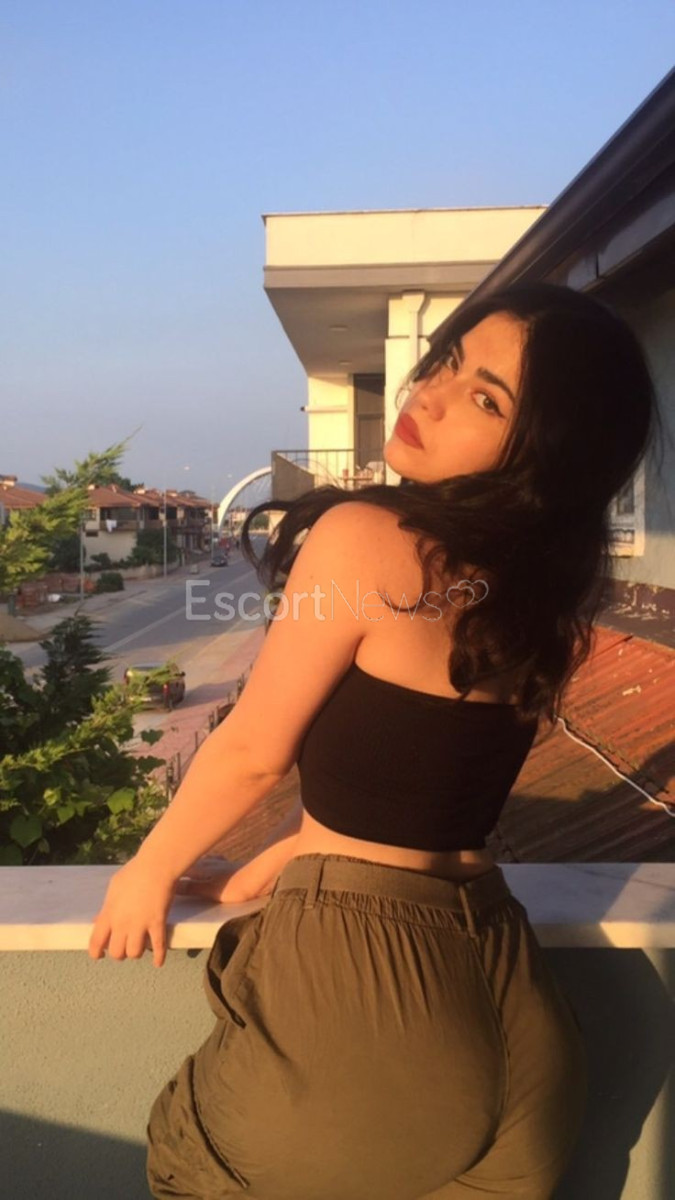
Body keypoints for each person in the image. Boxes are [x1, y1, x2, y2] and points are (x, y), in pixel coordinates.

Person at [88, 281, 664, 1199]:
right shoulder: (531, 593)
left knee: (190, 1166)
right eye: (447, 363)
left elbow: (253, 751)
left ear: (542, 452)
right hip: (517, 1018)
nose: (428, 396)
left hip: (369, 1013)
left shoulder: (367, 537)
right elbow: (413, 789)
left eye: (486, 400)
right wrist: (274, 860)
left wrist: (146, 870)